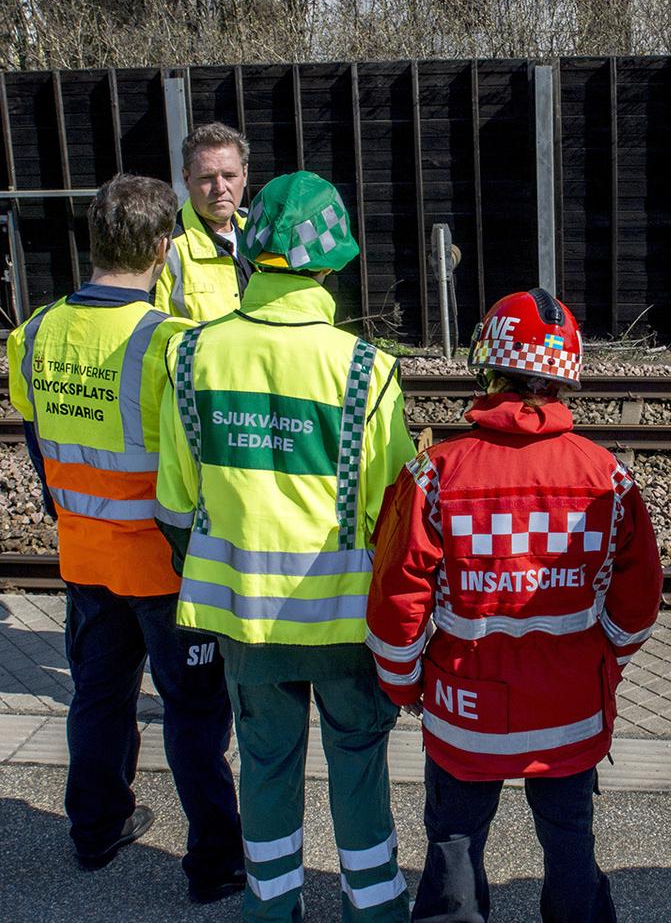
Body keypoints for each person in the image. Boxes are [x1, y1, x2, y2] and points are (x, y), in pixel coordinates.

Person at [156, 170, 415, 923]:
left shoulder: (192, 355)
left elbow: (176, 504)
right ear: (332, 263)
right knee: (358, 767)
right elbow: (392, 515)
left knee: (264, 767)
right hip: (342, 625)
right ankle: (373, 908)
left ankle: (271, 909)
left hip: (245, 623)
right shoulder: (364, 367)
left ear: (252, 250)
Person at [366, 289, 664, 923]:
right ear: (565, 376)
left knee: (453, 840)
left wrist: (403, 686)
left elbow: (397, 600)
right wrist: (604, 660)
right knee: (569, 840)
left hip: (463, 708)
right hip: (570, 711)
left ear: (489, 368)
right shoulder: (607, 475)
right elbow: (639, 602)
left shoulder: (434, 473)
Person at [6, 174, 244, 901]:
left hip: (83, 560)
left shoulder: (35, 332)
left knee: (98, 699)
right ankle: (214, 863)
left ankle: (96, 830)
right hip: (164, 568)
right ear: (165, 249)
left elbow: (40, 433)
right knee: (195, 713)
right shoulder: (172, 345)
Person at [153, 121, 254, 321]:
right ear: (186, 177)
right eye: (207, 177)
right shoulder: (165, 246)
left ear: (245, 173)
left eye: (229, 175)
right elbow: (154, 334)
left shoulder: (260, 230)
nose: (220, 187)